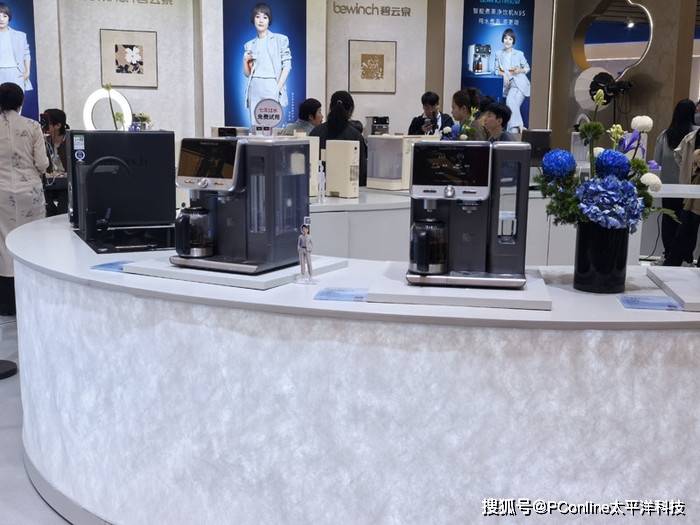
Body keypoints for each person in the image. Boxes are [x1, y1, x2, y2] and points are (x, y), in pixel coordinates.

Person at [0, 82, 48, 315]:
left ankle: (6, 303)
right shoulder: (32, 126)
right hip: (30, 192)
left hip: (1, 193)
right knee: (33, 241)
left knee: (2, 244)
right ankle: (32, 297)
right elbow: (42, 163)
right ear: (21, 102)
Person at [653, 99, 696, 262]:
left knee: (668, 220)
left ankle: (668, 255)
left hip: (668, 187)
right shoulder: (696, 134)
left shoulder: (664, 135)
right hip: (690, 189)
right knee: (687, 224)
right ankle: (686, 258)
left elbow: (657, 160)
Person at [243, 3, 291, 129]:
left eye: (265, 17)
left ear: (269, 20)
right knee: (255, 126)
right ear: (253, 19)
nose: (261, 20)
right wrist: (245, 61)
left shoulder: (280, 39)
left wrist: (277, 87)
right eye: (257, 17)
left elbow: (287, 66)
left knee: (271, 126)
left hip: (271, 84)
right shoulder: (249, 45)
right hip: (254, 86)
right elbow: (247, 74)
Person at [309, 90, 367, 186]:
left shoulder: (315, 133)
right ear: (351, 110)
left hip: (319, 189)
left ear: (330, 108)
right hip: (348, 190)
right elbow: (361, 173)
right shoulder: (356, 136)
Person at [665, 149, 700, 267]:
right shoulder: (690, 140)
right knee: (686, 228)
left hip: (693, 195)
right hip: (694, 194)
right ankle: (678, 261)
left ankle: (678, 261)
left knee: (686, 227)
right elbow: (679, 155)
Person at [495, 28, 530, 134]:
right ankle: (518, 129)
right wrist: (504, 74)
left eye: (510, 39)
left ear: (513, 41)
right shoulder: (498, 54)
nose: (507, 41)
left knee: (510, 102)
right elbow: (496, 70)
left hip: (520, 84)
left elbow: (527, 68)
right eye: (505, 38)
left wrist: (519, 70)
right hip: (508, 85)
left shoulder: (519, 54)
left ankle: (514, 130)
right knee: (512, 106)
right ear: (502, 40)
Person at [41, 108, 69, 216]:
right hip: (50, 181)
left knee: (64, 202)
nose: (44, 127)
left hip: (66, 182)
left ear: (58, 125)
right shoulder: (45, 141)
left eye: (47, 123)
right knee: (46, 203)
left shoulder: (69, 140)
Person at [0, 3, 32, 95]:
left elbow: (26, 54)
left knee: (16, 100)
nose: (1, 19)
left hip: (16, 73)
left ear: (9, 18)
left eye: (4, 16)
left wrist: (27, 71)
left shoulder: (20, 36)